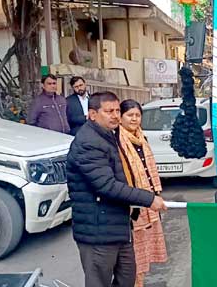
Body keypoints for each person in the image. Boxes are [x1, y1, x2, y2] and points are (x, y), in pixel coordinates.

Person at [66, 91, 167, 287]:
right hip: (98, 232)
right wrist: (149, 199)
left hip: (119, 227)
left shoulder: (109, 136)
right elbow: (107, 186)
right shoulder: (88, 143)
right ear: (93, 114)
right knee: (99, 282)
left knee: (127, 277)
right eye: (108, 111)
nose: (114, 115)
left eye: (117, 110)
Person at [118, 99, 168, 287]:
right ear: (121, 117)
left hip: (149, 201)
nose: (134, 119)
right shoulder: (118, 140)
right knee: (134, 255)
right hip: (133, 204)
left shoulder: (141, 137)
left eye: (137, 115)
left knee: (144, 253)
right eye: (130, 115)